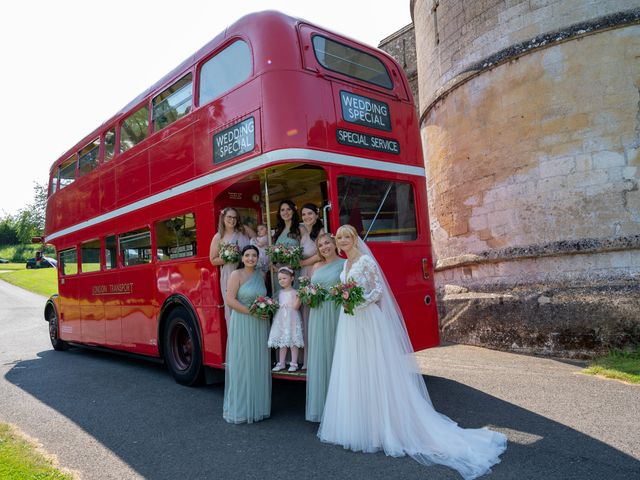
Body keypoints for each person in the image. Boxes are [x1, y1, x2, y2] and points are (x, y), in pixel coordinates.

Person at [318, 225, 507, 480]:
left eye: (346, 237)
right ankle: (363, 425)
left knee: (376, 369)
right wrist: (346, 300)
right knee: (355, 369)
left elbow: (378, 291)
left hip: (367, 319)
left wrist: (358, 301)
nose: (342, 241)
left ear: (354, 239)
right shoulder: (344, 265)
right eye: (339, 238)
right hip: (350, 321)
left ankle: (385, 426)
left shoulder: (364, 261)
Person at [223, 245, 271, 424]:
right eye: (247, 255)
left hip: (260, 323)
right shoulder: (236, 275)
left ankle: (258, 406)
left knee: (257, 361)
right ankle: (242, 408)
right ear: (242, 258)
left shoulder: (261, 275)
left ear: (258, 258)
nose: (251, 258)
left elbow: (264, 297)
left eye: (254, 255)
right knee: (243, 362)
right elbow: (229, 300)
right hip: (243, 321)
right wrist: (252, 312)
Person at [305, 232, 344, 422]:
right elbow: (311, 289)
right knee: (320, 355)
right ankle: (323, 405)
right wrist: (309, 296)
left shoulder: (345, 264)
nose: (324, 247)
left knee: (336, 353)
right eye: (320, 245)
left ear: (335, 244)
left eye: (327, 243)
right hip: (317, 313)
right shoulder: (316, 266)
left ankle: (340, 405)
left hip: (335, 312)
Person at [209, 207, 255, 327]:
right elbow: (213, 260)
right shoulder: (218, 237)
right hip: (229, 274)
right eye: (229, 217)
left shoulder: (244, 230)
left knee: (249, 301)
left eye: (235, 217)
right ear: (223, 218)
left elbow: (257, 241)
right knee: (233, 308)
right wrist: (229, 257)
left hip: (248, 272)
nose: (232, 220)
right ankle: (236, 340)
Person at [298, 203, 324, 370]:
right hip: (303, 273)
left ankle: (318, 357)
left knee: (314, 314)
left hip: (314, 273)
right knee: (305, 316)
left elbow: (321, 254)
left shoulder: (320, 232)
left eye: (310, 214)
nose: (307, 217)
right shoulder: (304, 232)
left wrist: (302, 262)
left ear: (316, 214)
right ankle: (308, 358)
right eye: (304, 214)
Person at [268, 267, 304, 372]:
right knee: (282, 340)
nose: (281, 281)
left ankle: (294, 363)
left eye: (284, 278)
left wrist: (299, 297)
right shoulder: (279, 293)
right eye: (279, 279)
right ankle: (281, 362)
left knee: (293, 340)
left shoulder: (296, 292)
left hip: (292, 318)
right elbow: (276, 304)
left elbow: (296, 307)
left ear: (292, 278)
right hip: (281, 319)